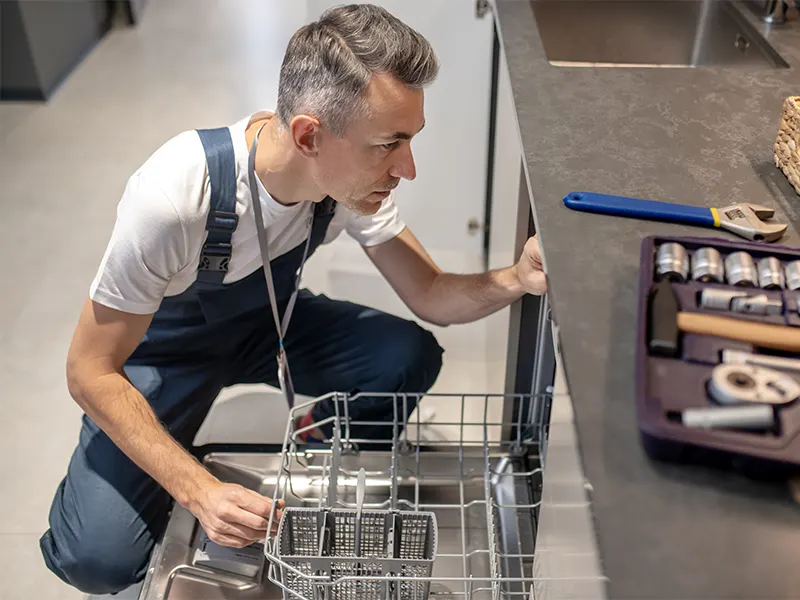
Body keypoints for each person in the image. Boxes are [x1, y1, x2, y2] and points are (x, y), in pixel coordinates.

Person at [39, 4, 547, 595]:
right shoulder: (175, 197)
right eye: (389, 145)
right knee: (95, 558)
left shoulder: (346, 186)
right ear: (310, 135)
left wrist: (517, 277)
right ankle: (170, 474)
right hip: (165, 353)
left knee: (405, 355)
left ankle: (311, 441)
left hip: (267, 325)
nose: (406, 168)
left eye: (409, 141)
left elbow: (431, 294)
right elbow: (88, 370)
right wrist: (197, 489)